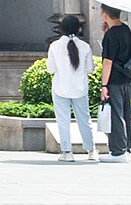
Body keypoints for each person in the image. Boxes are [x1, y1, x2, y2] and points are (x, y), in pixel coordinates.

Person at [47, 13, 97, 162]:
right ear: (78, 29)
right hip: (80, 88)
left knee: (63, 120)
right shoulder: (85, 46)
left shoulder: (55, 46)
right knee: (84, 119)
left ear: (61, 29)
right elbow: (89, 69)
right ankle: (91, 150)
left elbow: (50, 69)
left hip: (60, 88)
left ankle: (67, 152)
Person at [100, 4, 131, 160]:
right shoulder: (126, 29)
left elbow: (107, 62)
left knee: (116, 114)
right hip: (127, 79)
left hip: (114, 80)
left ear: (105, 14)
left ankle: (118, 151)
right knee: (126, 114)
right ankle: (127, 147)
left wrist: (103, 85)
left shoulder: (111, 35)